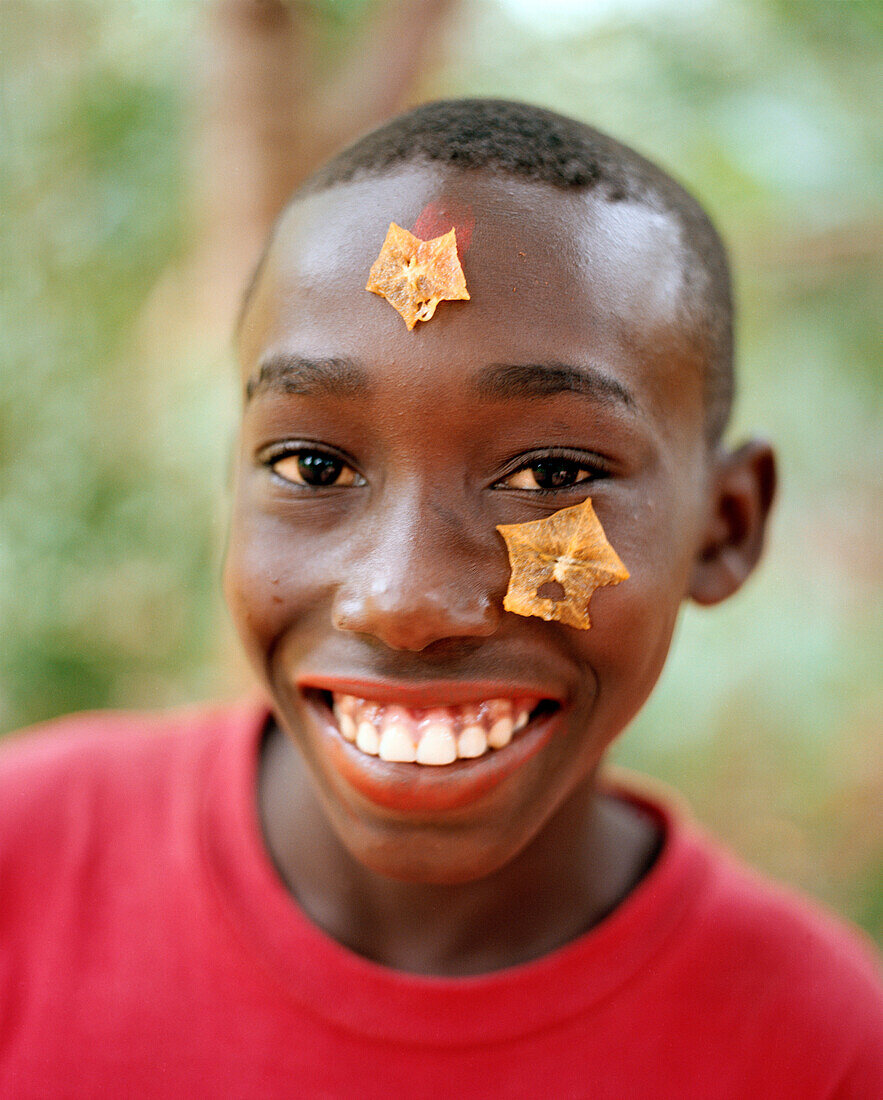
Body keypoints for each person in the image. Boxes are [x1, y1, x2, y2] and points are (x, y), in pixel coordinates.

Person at [1, 99, 880, 1098]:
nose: (402, 600)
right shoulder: (20, 866)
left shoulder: (820, 1048)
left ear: (722, 527)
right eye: (311, 462)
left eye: (552, 471)